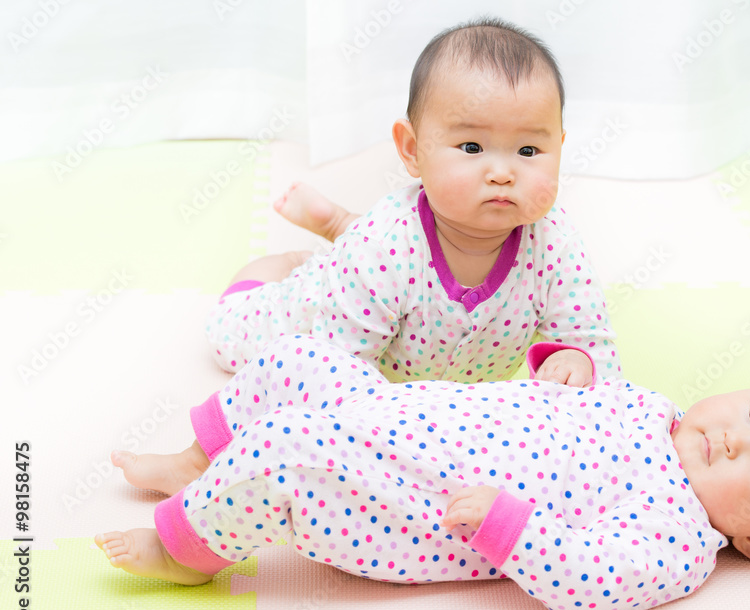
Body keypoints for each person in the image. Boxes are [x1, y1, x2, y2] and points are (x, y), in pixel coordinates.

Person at [96, 335, 750, 610]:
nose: (734, 437)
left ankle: (187, 549)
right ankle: (199, 461)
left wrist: (511, 527)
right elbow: (582, 390)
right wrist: (570, 365)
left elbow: (594, 579)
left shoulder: (678, 538)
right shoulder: (656, 409)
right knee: (299, 359)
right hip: (399, 414)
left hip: (413, 505)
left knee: (290, 452)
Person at [207, 17, 619, 388]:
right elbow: (335, 372)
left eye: (528, 151)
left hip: (418, 354)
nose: (502, 173)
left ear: (560, 147)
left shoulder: (556, 244)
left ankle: (338, 227)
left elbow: (591, 341)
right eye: (472, 147)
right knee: (229, 337)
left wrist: (575, 359)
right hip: (318, 314)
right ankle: (284, 265)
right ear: (411, 149)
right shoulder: (381, 248)